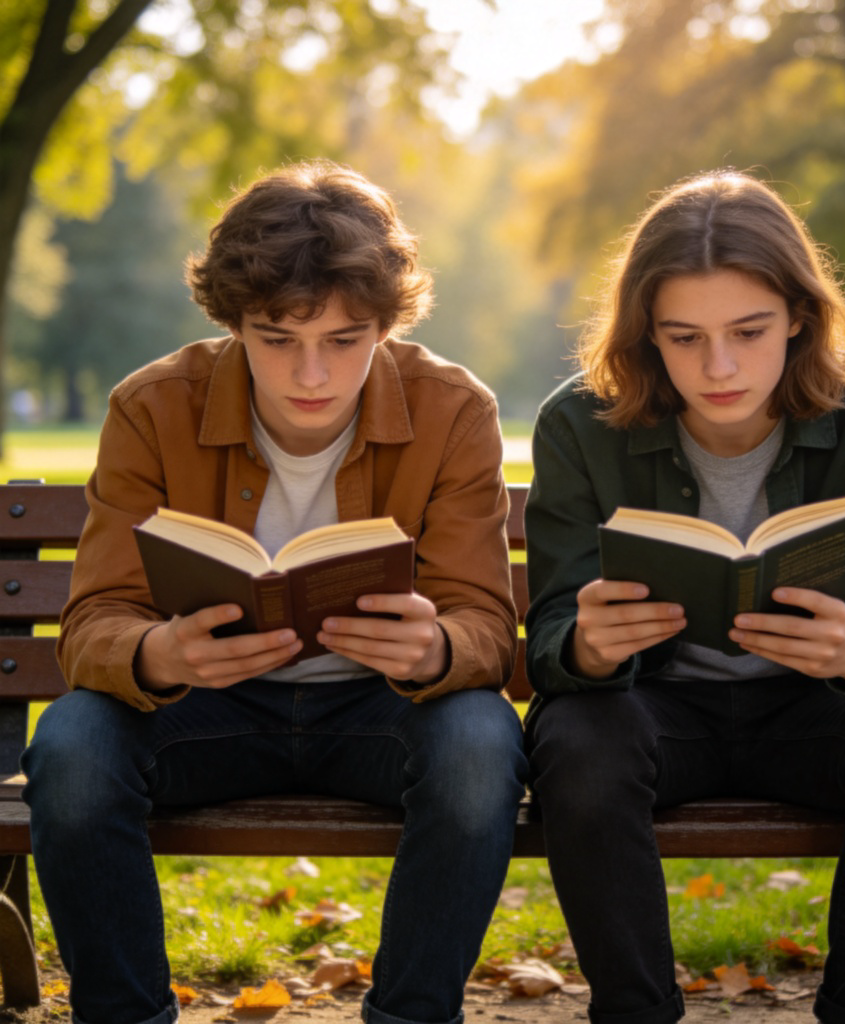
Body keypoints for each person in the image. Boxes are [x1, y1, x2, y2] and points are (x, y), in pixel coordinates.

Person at [23, 160, 527, 1024]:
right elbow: (93, 622)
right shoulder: (153, 406)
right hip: (203, 710)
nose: (311, 375)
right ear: (234, 323)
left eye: (345, 340)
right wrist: (158, 653)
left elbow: (484, 622)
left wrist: (437, 645)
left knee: (481, 744)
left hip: (380, 711)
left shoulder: (453, 410)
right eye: (277, 339)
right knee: (71, 749)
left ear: (386, 325)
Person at [523, 170, 845, 1024]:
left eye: (748, 331)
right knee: (576, 738)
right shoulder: (580, 422)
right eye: (684, 337)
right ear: (646, 333)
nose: (719, 366)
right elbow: (550, 635)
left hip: (817, 716)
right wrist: (584, 647)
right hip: (656, 714)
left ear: (799, 315)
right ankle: (636, 1014)